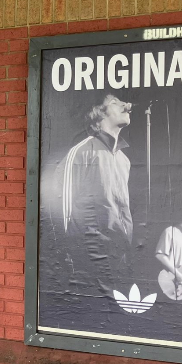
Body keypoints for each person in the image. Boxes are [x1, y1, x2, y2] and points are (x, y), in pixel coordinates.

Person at [59, 94, 134, 300]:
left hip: (118, 255)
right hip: (89, 257)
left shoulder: (124, 160)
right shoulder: (82, 151)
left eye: (123, 101)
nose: (124, 105)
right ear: (98, 115)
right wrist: (71, 254)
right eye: (115, 102)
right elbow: (62, 205)